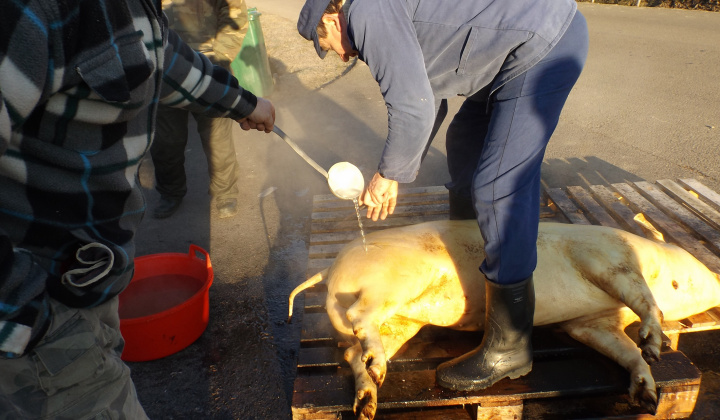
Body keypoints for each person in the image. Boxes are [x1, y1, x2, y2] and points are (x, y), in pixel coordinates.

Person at [0, 0, 274, 418]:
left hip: (89, 278)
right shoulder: (30, 12)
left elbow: (161, 57)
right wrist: (21, 309)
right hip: (37, 310)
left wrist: (242, 102)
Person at [298, 0, 589, 392]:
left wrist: (388, 175)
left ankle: (511, 346)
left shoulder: (367, 12)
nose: (342, 55)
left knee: (499, 186)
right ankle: (473, 250)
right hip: (516, 50)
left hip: (543, 48)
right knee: (465, 138)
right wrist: (391, 171)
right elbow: (427, 96)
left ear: (331, 19)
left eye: (331, 45)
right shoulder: (375, 12)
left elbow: (412, 108)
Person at [151, 0, 249, 219]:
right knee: (166, 141)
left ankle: (225, 194)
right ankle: (170, 193)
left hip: (209, 66)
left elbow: (235, 11)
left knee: (217, 139)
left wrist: (220, 58)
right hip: (164, 68)